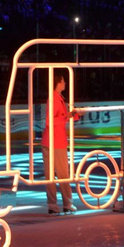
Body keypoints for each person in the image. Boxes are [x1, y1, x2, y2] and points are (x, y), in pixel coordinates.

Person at [42, 74, 79, 215]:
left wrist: (73, 115)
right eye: (63, 81)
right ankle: (66, 203)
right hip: (55, 142)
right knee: (62, 174)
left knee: (51, 175)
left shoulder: (57, 98)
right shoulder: (54, 99)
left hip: (52, 141)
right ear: (58, 83)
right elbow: (50, 121)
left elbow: (62, 117)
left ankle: (54, 204)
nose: (65, 83)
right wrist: (67, 117)